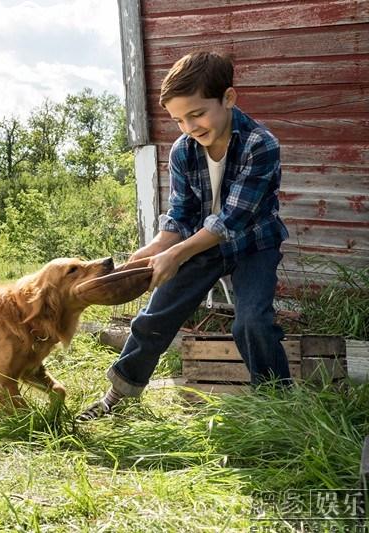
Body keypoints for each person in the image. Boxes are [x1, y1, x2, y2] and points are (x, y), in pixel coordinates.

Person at [77, 51, 291, 421]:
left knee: (252, 322)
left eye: (197, 114)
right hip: (202, 245)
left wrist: (175, 256)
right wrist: (150, 254)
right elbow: (179, 217)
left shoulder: (260, 144)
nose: (190, 126)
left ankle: (276, 404)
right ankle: (120, 396)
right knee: (153, 317)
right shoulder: (182, 151)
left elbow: (231, 221)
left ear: (228, 98)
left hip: (254, 243)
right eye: (179, 119)